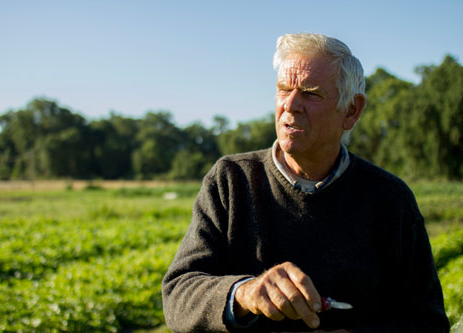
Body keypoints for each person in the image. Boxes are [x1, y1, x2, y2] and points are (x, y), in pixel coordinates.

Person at [161, 33, 449, 332]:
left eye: (311, 93)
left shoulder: (389, 198)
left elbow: (428, 320)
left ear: (351, 110)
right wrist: (245, 294)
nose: (291, 104)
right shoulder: (232, 180)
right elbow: (179, 295)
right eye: (283, 89)